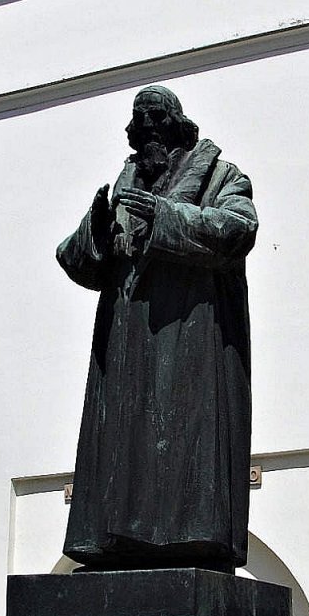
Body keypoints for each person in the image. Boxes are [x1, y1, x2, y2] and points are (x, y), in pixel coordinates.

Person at [56, 85, 257, 571]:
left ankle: (188, 540)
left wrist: (166, 217)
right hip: (127, 337)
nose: (145, 133)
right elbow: (76, 258)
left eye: (155, 123)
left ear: (176, 128)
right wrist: (98, 231)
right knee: (120, 441)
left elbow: (239, 229)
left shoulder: (220, 175)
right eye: (138, 125)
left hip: (191, 333)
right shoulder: (125, 188)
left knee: (187, 438)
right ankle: (112, 541)